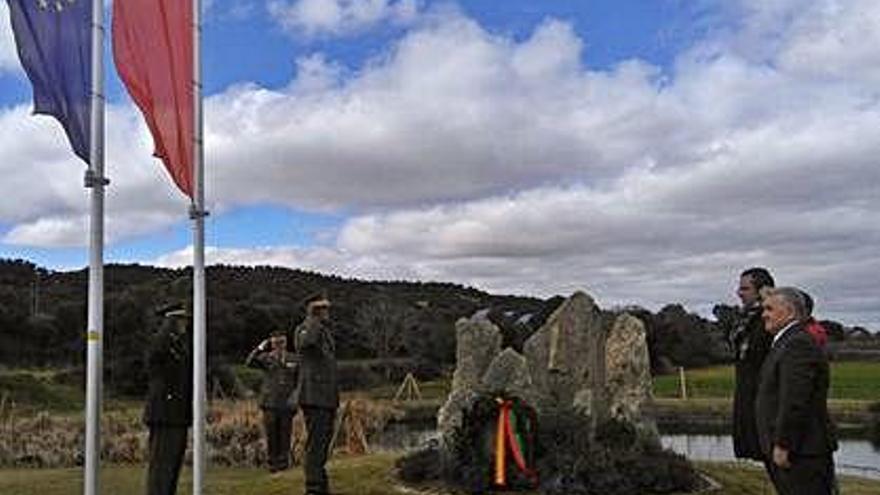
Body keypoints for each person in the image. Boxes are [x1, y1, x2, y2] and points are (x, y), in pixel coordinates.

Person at [756, 287, 837, 495]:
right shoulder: (785, 342)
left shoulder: (797, 344)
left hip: (801, 452)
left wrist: (783, 445)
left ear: (790, 312)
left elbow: (794, 400)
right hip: (795, 450)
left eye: (769, 309)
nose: (764, 314)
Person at [293, 292, 339, 495]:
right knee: (316, 443)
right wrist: (312, 318)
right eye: (323, 308)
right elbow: (306, 344)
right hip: (314, 396)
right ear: (313, 309)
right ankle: (313, 488)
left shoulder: (324, 331)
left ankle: (321, 485)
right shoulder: (305, 328)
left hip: (326, 396)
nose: (327, 311)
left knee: (322, 444)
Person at [143, 305, 192, 495]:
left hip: (178, 413)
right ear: (171, 321)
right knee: (161, 465)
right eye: (181, 320)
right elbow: (152, 362)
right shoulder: (162, 341)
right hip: (165, 413)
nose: (185, 324)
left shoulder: (179, 343)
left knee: (172, 465)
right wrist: (166, 328)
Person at [730, 267, 775, 461]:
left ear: (762, 290)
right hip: (747, 394)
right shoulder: (744, 320)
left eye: (745, 288)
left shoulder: (771, 321)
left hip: (766, 399)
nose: (739, 293)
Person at [245, 330, 299, 474]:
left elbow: (300, 380)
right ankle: (272, 464)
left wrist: (296, 397)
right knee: (272, 434)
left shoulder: (294, 357)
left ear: (286, 342)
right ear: (272, 343)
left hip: (287, 402)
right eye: (276, 342)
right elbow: (249, 362)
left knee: (285, 434)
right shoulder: (265, 357)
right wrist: (260, 348)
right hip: (270, 402)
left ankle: (283, 464)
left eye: (281, 342)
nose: (279, 345)